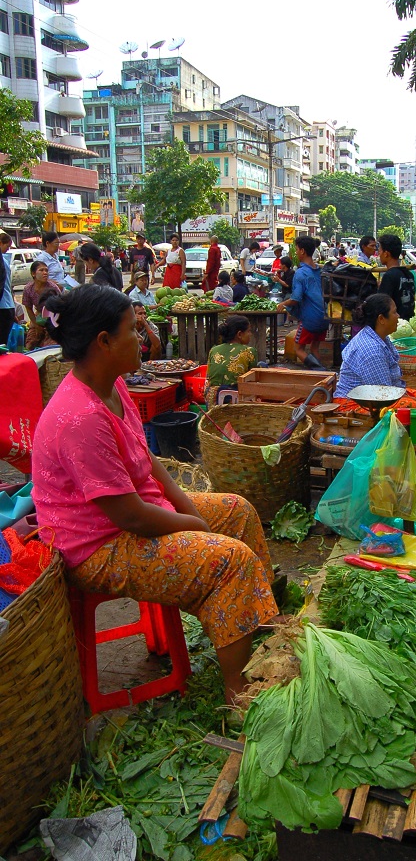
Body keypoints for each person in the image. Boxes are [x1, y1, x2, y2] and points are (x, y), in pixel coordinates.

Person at [31, 285, 278, 704]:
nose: (142, 338)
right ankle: (240, 695)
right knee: (228, 560)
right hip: (99, 545)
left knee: (237, 511)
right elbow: (132, 518)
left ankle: (263, 631)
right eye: (133, 329)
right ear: (104, 342)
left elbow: (148, 462)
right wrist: (194, 527)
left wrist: (189, 513)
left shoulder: (113, 385)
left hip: (138, 512)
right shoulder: (79, 417)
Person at [334, 294, 403, 397]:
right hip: (354, 405)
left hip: (378, 397)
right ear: (381, 319)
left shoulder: (380, 337)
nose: (398, 316)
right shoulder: (372, 350)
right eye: (394, 312)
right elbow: (383, 395)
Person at [276, 235, 328, 370]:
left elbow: (296, 299)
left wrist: (283, 304)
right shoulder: (319, 270)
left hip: (310, 319)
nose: (296, 252)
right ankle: (321, 376)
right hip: (324, 317)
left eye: (297, 249)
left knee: (298, 348)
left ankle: (319, 370)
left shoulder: (301, 273)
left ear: (303, 251)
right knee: (315, 348)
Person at [205, 314, 258, 409]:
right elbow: (253, 379)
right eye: (249, 331)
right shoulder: (249, 351)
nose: (250, 334)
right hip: (233, 398)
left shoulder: (214, 350)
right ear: (239, 334)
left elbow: (209, 377)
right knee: (262, 366)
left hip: (212, 400)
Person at [22, 261, 61, 349]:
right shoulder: (28, 289)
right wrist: (36, 325)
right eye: (41, 270)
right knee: (30, 343)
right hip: (38, 318)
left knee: (51, 345)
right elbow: (28, 308)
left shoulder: (53, 287)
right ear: (33, 274)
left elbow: (60, 307)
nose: (45, 273)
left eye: (46, 270)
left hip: (53, 318)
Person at [377, 233, 415, 321]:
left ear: (386, 254)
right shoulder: (409, 274)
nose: (379, 254)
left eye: (380, 251)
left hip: (395, 324)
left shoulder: (389, 276)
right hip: (408, 321)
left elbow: (382, 304)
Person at [0, 232, 14, 345]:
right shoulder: (4, 261)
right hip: (7, 305)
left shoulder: (3, 261)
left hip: (4, 306)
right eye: (7, 247)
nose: (7, 250)